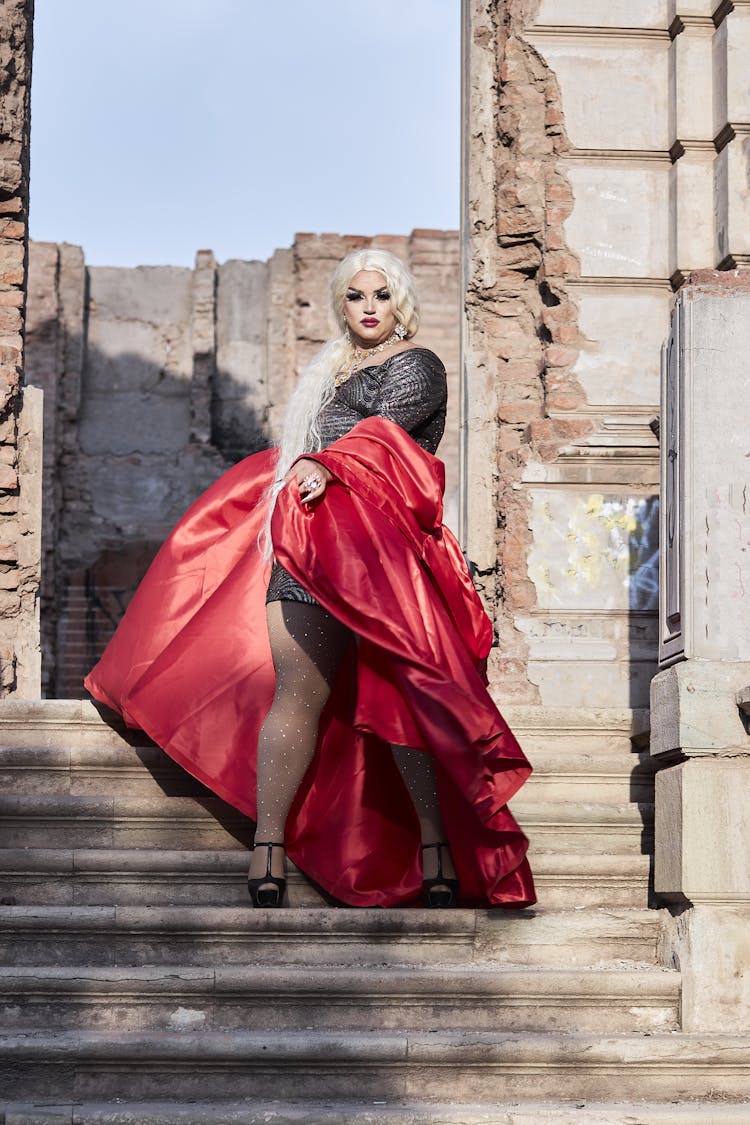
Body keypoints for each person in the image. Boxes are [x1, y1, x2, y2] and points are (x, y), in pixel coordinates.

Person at [85, 249, 536, 912]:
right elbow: (299, 456)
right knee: (296, 693)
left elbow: (385, 433)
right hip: (308, 552)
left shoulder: (418, 365)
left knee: (403, 705)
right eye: (356, 296)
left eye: (381, 294)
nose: (369, 307)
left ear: (401, 300)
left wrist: (328, 464)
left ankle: (434, 844)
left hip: (384, 563)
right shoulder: (324, 374)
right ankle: (267, 846)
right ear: (341, 303)